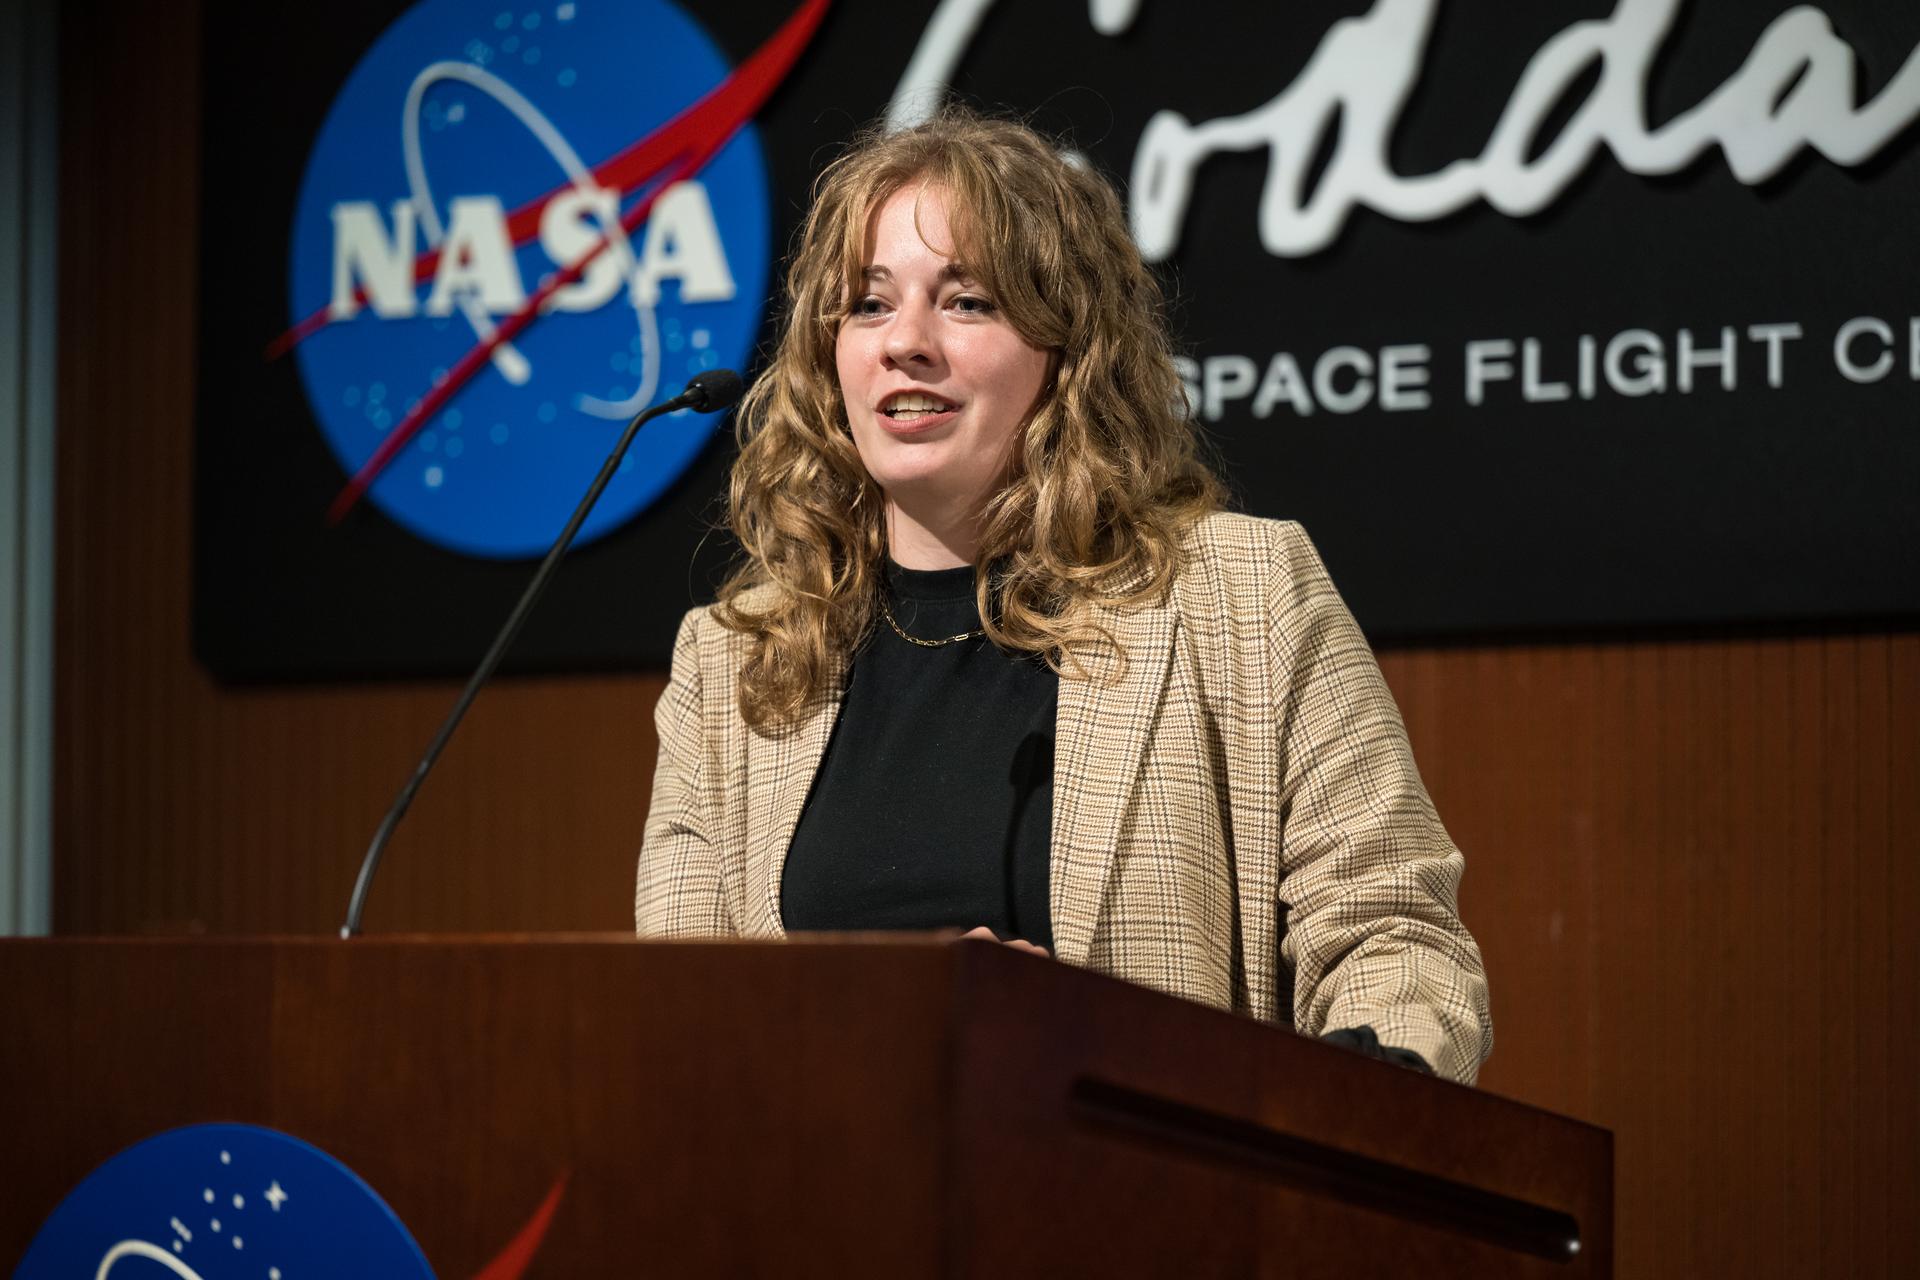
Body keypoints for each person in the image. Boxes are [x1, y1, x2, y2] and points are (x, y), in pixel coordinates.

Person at [635, 108, 1493, 1084]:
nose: (904, 342)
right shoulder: (732, 660)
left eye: (966, 301)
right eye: (868, 304)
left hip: (1159, 1214)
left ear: (1068, 348)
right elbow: (686, 1033)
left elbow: (1398, 944)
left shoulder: (1241, 594)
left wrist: (1315, 1132)